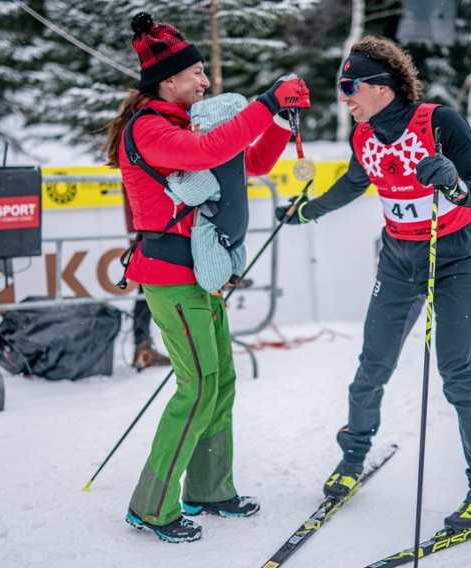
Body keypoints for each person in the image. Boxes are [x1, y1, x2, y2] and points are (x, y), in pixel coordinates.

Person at [276, 36, 471, 532]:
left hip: (453, 259)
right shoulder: (363, 136)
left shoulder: (438, 122)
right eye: (341, 87)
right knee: (371, 367)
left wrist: (456, 186)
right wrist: (304, 212)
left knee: (457, 374)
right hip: (398, 261)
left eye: (349, 86)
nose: (344, 97)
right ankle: (353, 458)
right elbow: (353, 184)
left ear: (382, 87)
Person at [104, 12, 309, 543]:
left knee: (220, 383)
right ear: (167, 81)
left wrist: (281, 122)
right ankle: (151, 505)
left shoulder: (184, 122)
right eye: (195, 73)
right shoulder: (149, 128)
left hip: (203, 273)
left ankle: (210, 488)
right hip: (171, 279)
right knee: (195, 389)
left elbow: (249, 163)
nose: (205, 81)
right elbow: (208, 153)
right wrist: (264, 101)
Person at [122, 191, 171, 372]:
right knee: (149, 286)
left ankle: (142, 345)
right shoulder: (136, 163)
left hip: (146, 227)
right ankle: (143, 346)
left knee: (148, 286)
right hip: (149, 228)